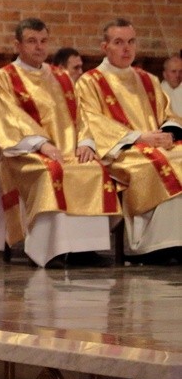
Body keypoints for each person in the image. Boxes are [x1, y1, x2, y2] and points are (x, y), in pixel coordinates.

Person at [0, 18, 120, 268]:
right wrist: (41, 144)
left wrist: (86, 142)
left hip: (66, 151)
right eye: (32, 41)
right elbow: (8, 119)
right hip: (22, 153)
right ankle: (49, 250)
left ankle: (84, 249)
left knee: (93, 168)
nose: (39, 47)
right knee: (51, 173)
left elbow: (81, 114)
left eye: (43, 41)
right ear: (17, 45)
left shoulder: (61, 76)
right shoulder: (3, 78)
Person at [75, 18, 182, 264]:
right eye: (119, 42)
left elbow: (168, 114)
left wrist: (168, 134)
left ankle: (176, 241)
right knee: (153, 165)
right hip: (120, 150)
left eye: (131, 42)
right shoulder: (90, 81)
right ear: (105, 47)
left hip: (156, 145)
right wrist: (139, 137)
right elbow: (90, 121)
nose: (127, 48)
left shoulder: (148, 79)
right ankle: (151, 244)